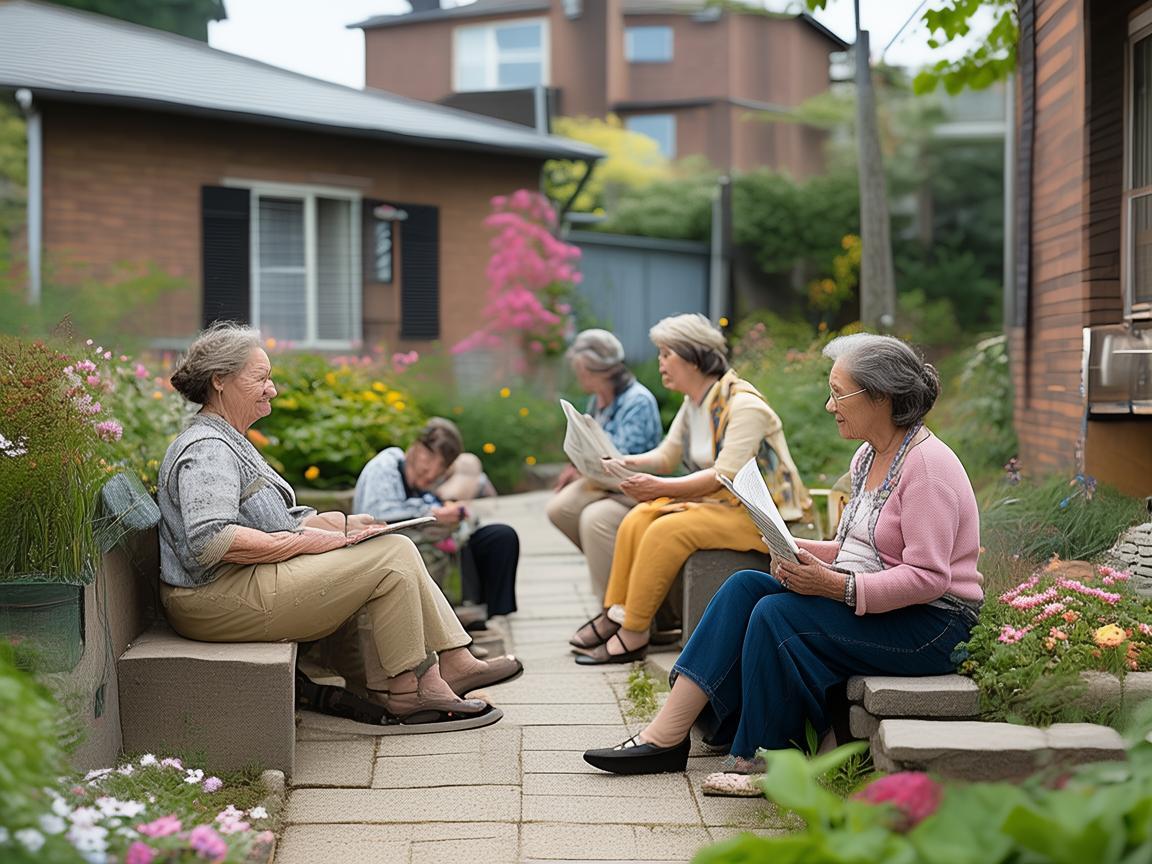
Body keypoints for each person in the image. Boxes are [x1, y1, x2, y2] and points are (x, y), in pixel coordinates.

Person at [582, 333, 984, 775]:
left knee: (778, 614)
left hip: (933, 626)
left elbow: (929, 578)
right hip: (889, 606)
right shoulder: (868, 457)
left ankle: (762, 758)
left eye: (838, 393)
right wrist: (793, 548)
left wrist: (835, 586)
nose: (830, 406)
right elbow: (854, 547)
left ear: (880, 397)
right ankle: (666, 736)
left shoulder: (927, 468)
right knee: (745, 586)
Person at [157, 322, 521, 734]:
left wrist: (340, 524)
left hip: (235, 585)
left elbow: (267, 517)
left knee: (389, 548)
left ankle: (418, 681)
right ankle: (435, 675)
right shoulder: (208, 448)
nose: (272, 389)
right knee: (392, 555)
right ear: (219, 380)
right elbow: (212, 540)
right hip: (213, 598)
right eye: (261, 378)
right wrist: (306, 543)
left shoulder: (228, 439)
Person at [568, 313, 809, 665]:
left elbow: (722, 477)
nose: (660, 363)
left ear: (694, 357)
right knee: (638, 519)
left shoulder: (745, 406)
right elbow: (667, 455)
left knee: (665, 530)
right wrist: (623, 461)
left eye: (667, 354)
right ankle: (615, 614)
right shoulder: (695, 401)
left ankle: (634, 633)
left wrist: (659, 488)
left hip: (760, 517)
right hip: (723, 507)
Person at [354, 418, 520, 625]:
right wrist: (433, 513)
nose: (432, 473)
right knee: (431, 553)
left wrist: (456, 513)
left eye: (441, 467)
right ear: (416, 447)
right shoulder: (387, 465)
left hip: (443, 540)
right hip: (397, 545)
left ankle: (489, 617)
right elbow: (378, 513)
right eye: (428, 463)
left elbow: (474, 480)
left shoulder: (434, 480)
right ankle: (452, 622)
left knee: (501, 536)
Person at [546, 329, 662, 597]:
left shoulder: (638, 401)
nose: (579, 377)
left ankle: (614, 604)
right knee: (558, 509)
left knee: (592, 520)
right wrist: (575, 467)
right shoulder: (597, 399)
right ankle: (615, 569)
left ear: (600, 371)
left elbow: (625, 457)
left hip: (631, 486)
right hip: (601, 482)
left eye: (582, 371)